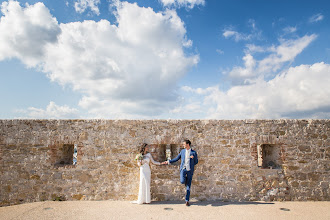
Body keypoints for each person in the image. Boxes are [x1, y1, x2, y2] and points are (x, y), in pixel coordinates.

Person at [162, 139, 198, 206]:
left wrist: (192, 159)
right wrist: (168, 161)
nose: (183, 145)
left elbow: (196, 162)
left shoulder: (194, 153)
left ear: (188, 145)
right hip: (183, 169)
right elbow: (176, 158)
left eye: (184, 144)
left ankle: (187, 200)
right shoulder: (182, 151)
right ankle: (185, 182)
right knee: (182, 181)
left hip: (190, 170)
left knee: (188, 187)